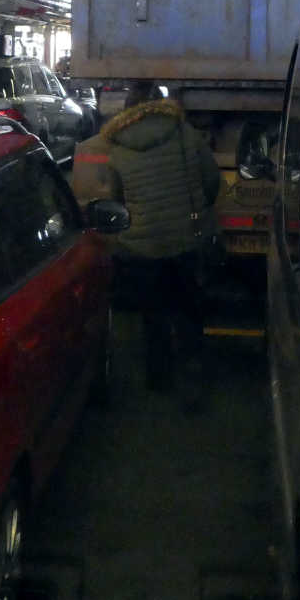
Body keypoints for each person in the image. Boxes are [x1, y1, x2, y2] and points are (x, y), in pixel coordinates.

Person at [70, 80, 219, 404]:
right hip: (185, 240)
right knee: (189, 310)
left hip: (141, 248)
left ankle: (159, 378)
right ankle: (193, 380)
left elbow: (118, 200)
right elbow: (211, 180)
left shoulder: (118, 149)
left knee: (154, 313)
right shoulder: (185, 134)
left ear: (128, 110)